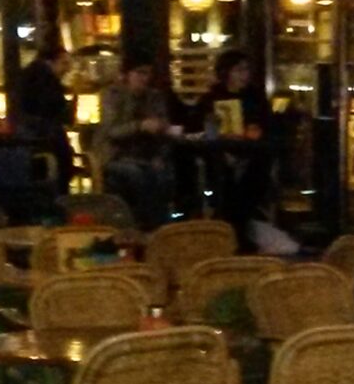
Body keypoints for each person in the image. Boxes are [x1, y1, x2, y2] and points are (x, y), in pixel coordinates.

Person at [194, 49, 275, 241]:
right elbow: (199, 129)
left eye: (246, 70)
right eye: (239, 70)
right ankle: (234, 231)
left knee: (254, 173)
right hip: (219, 154)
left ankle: (236, 231)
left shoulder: (255, 98)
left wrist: (253, 133)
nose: (244, 75)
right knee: (222, 175)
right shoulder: (211, 98)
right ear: (226, 72)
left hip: (251, 154)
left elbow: (268, 126)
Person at [95, 54, 175, 224]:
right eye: (140, 73)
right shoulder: (113, 95)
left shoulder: (154, 97)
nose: (144, 78)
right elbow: (112, 131)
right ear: (127, 74)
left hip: (146, 155)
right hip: (116, 155)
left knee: (163, 174)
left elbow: (164, 125)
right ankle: (144, 224)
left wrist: (160, 131)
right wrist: (139, 126)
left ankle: (160, 225)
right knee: (137, 175)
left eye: (148, 73)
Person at [7, 41, 74, 195]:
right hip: (43, 135)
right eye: (64, 63)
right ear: (51, 61)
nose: (67, 69)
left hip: (28, 134)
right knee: (63, 163)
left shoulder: (28, 73)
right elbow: (57, 110)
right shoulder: (47, 79)